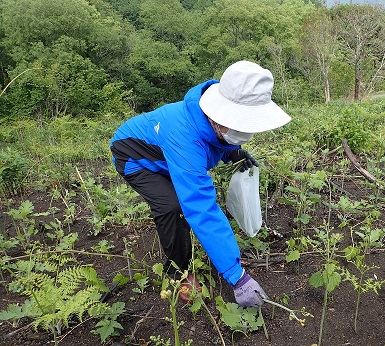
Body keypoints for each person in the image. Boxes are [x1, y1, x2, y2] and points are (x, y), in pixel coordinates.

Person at [110, 60, 291, 307]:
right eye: (239, 124)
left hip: (165, 153)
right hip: (133, 156)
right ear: (218, 115)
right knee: (173, 207)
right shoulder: (184, 137)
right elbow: (201, 208)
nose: (244, 132)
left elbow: (216, 139)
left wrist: (231, 152)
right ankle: (178, 274)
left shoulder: (213, 120)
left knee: (180, 200)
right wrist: (237, 277)